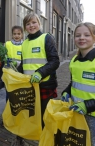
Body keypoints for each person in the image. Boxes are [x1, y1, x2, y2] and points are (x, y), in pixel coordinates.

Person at [61, 22, 95, 146]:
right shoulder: (74, 60)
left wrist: (87, 106)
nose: (81, 38)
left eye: (87, 35)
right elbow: (74, 82)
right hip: (76, 113)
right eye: (78, 35)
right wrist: (66, 92)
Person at [13, 13, 60, 146]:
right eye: (28, 24)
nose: (31, 25)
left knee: (45, 117)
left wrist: (40, 73)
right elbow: (25, 63)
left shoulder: (47, 38)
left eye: (34, 22)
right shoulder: (25, 43)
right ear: (25, 27)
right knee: (29, 115)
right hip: (29, 86)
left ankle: (47, 142)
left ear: (39, 23)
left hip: (45, 85)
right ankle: (26, 138)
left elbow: (55, 61)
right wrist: (16, 73)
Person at [4, 25, 23, 101]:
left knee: (18, 92)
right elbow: (3, 56)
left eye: (18, 34)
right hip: (8, 72)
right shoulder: (7, 44)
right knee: (8, 92)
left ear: (22, 35)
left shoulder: (24, 45)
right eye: (14, 34)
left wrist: (17, 63)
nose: (16, 36)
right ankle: (7, 109)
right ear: (12, 34)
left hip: (20, 72)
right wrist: (5, 59)